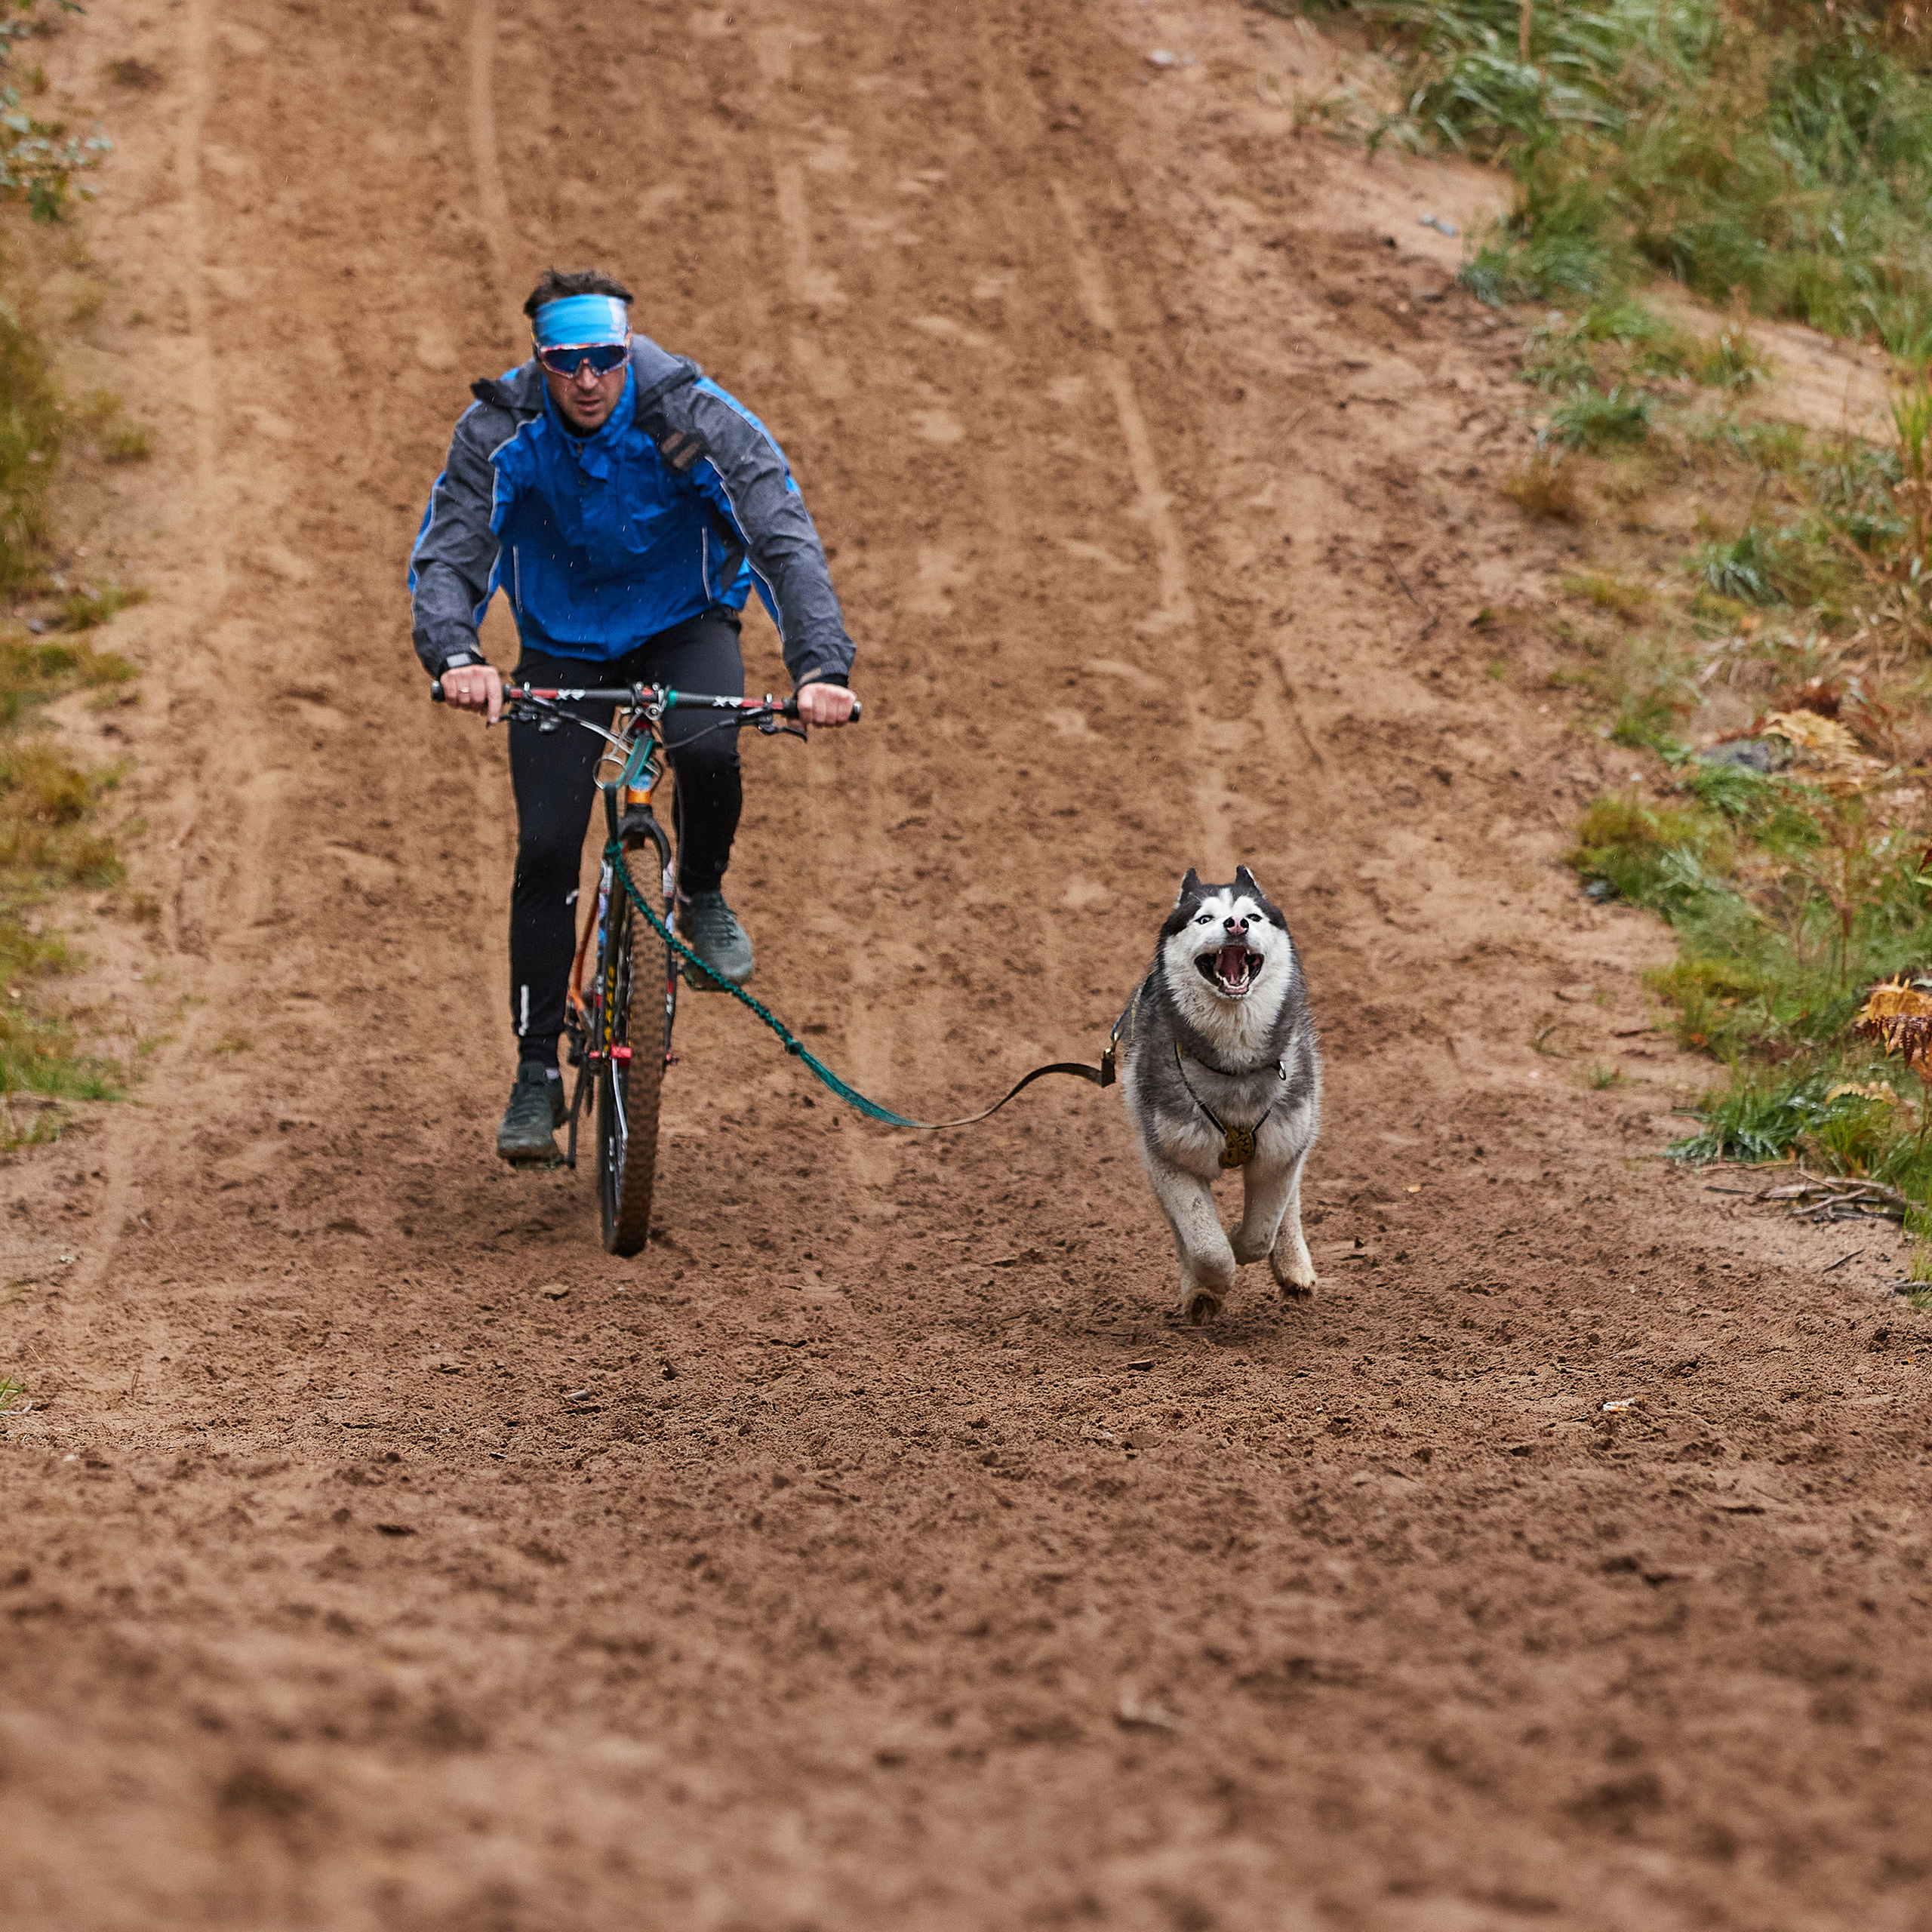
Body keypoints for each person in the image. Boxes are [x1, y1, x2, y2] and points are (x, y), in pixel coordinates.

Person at [409, 269, 858, 1165]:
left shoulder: (692, 415)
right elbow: (453, 550)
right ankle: (536, 1071)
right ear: (541, 360)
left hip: (682, 622)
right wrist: (457, 656)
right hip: (563, 644)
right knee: (545, 845)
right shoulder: (501, 425)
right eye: (565, 362)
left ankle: (699, 894)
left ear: (627, 353)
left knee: (709, 749)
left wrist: (819, 664)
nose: (586, 380)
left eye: (604, 359)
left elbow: (780, 533)